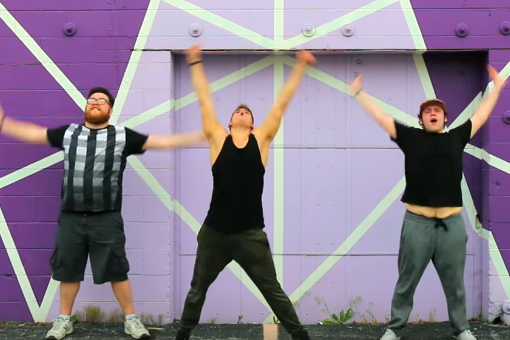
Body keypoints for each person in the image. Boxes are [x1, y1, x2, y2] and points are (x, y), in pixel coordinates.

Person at [0, 87, 206, 340]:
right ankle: (64, 319)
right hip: (71, 217)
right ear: (87, 107)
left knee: (117, 270)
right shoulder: (69, 133)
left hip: (106, 218)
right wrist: (4, 123)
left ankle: (131, 319)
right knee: (68, 270)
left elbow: (159, 142)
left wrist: (198, 136)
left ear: (109, 109)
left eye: (102, 100)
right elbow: (35, 134)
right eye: (91, 100)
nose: (95, 102)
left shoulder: (122, 136)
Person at [349, 65, 506, 340]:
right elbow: (383, 118)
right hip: (417, 224)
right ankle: (395, 328)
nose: (432, 113)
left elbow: (481, 115)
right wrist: (360, 94)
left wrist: (497, 89)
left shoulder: (457, 137)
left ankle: (462, 329)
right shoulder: (410, 137)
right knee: (406, 281)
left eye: (437, 111)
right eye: (427, 112)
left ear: (445, 118)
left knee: (455, 284)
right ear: (421, 119)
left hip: (452, 225)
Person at [173, 46, 316, 340]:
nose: (242, 111)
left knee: (271, 289)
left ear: (253, 124)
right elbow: (205, 100)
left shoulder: (261, 140)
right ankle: (183, 334)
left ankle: (300, 335)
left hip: (250, 235)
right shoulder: (218, 139)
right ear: (229, 122)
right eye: (238, 110)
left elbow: (280, 105)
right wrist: (196, 62)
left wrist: (300, 66)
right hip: (214, 233)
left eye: (248, 112)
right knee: (197, 288)